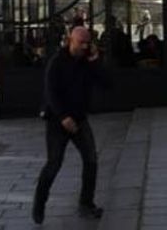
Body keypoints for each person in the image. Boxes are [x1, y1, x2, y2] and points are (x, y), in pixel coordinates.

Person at [31, 26, 109, 224]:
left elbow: (106, 83)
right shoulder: (57, 62)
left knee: (91, 159)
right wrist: (63, 116)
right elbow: (51, 92)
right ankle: (39, 203)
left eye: (87, 43)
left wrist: (95, 60)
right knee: (54, 163)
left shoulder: (87, 62)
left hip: (79, 118)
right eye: (80, 43)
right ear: (70, 41)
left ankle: (86, 203)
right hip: (58, 121)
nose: (84, 47)